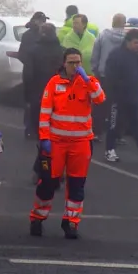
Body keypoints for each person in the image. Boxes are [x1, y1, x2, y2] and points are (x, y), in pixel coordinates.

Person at [29, 47, 105, 239]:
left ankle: (71, 222)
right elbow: (45, 113)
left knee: (77, 185)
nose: (75, 66)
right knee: (48, 183)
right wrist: (44, 138)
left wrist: (87, 80)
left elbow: (100, 98)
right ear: (64, 63)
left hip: (81, 143)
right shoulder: (54, 83)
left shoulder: (89, 82)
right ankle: (37, 219)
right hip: (56, 143)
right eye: (71, 62)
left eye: (78, 62)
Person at [103, 29, 138, 162]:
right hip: (117, 96)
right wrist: (114, 92)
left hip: (133, 96)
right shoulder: (116, 54)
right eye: (135, 43)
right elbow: (110, 75)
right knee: (114, 124)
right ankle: (109, 150)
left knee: (136, 123)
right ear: (128, 42)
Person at [23, 23, 65, 138]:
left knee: (37, 109)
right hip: (55, 87)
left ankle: (36, 131)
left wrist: (27, 93)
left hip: (37, 86)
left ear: (41, 34)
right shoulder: (61, 51)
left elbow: (28, 73)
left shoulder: (33, 51)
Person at [90, 13, 127, 142]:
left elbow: (95, 54)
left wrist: (95, 69)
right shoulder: (128, 39)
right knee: (119, 106)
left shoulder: (102, 35)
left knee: (99, 105)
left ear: (113, 22)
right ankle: (118, 135)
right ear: (124, 23)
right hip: (121, 78)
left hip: (103, 76)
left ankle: (96, 132)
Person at [19, 11, 49, 138]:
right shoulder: (28, 35)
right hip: (30, 73)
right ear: (35, 20)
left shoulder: (44, 35)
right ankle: (29, 128)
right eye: (41, 21)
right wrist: (31, 63)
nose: (43, 23)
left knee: (41, 101)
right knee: (31, 101)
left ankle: (38, 127)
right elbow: (22, 54)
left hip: (42, 73)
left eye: (44, 21)